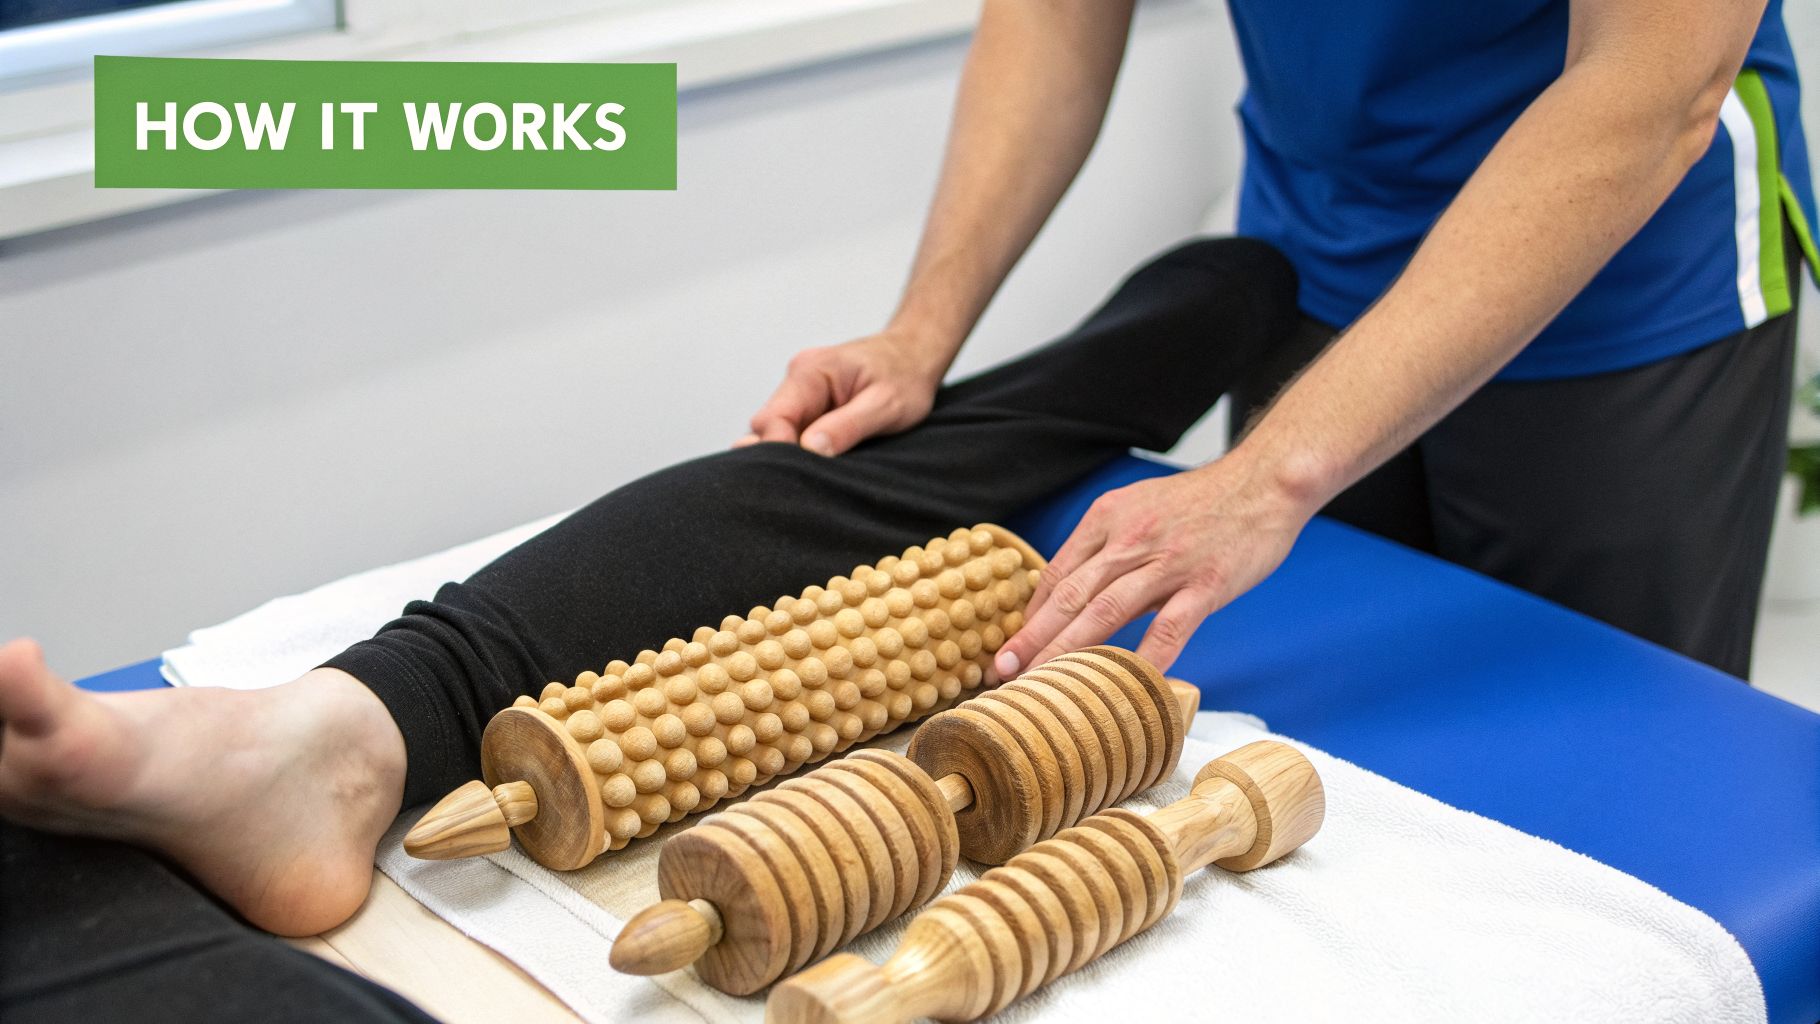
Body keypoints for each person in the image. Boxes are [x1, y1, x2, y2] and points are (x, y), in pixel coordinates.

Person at [0, 239, 1296, 1022]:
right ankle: (352, 730)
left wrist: (1275, 473)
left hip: (1412, 301)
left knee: (870, 458)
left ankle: (353, 729)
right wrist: (920, 332)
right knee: (1196, 304)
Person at [744, 0, 1815, 681]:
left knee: (1584, 774)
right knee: (1330, 745)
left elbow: (1650, 85)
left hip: (1623, 290)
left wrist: (1268, 478)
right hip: (1318, 236)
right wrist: (919, 331)